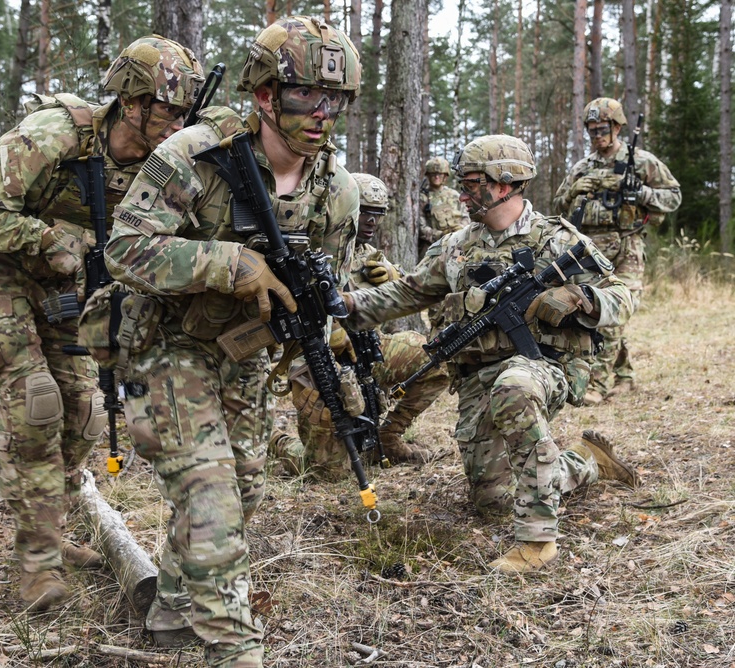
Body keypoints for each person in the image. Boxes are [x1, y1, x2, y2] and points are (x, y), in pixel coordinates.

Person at [102, 16, 361, 667]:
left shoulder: (335, 191)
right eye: (307, 97)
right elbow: (125, 249)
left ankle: (174, 605)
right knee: (212, 498)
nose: (323, 115)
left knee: (241, 488)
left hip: (246, 356)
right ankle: (236, 651)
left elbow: (318, 288)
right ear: (267, 95)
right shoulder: (196, 154)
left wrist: (325, 338)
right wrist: (229, 265)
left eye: (339, 101)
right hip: (165, 348)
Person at [0, 36, 205, 611]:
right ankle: (37, 564)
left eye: (184, 112)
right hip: (2, 272)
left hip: (72, 290)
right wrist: (49, 241)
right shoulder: (58, 133)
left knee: (83, 415)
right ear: (131, 101)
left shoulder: (169, 163)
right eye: (166, 109)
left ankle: (54, 534)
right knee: (35, 403)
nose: (175, 122)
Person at [341, 135, 640, 573]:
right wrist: (348, 306)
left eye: (472, 182)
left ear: (505, 184)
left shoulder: (555, 240)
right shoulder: (454, 246)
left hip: (542, 367)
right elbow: (408, 292)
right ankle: (585, 461)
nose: (461, 192)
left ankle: (538, 542)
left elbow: (624, 295)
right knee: (493, 499)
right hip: (477, 378)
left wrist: (582, 298)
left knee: (514, 386)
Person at [270, 172, 449, 478]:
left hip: (368, 354)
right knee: (328, 472)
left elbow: (406, 291)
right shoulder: (310, 252)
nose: (371, 221)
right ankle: (276, 441)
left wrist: (393, 276)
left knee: (439, 356)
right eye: (365, 212)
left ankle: (388, 435)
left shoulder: (371, 257)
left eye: (378, 215)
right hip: (320, 365)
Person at [553, 97, 681, 404]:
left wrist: (642, 192)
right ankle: (624, 376)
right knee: (598, 311)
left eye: (602, 129)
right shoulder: (582, 167)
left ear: (618, 127)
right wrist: (573, 191)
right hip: (590, 250)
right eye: (592, 130)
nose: (597, 136)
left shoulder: (641, 162)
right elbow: (558, 207)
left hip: (627, 247)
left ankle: (597, 383)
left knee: (612, 310)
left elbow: (673, 196)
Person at [419, 156, 470, 259]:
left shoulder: (454, 195)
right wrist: (440, 235)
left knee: (457, 267)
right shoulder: (422, 197)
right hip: (434, 246)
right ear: (428, 176)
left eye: (440, 174)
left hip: (457, 244)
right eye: (433, 174)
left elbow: (466, 216)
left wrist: (459, 231)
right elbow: (421, 226)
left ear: (445, 176)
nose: (436, 177)